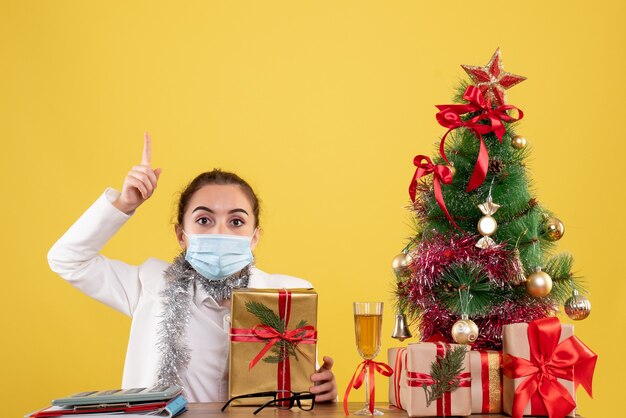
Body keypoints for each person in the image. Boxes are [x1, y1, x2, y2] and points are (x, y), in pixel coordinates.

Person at [47, 135, 337, 403]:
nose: (220, 232)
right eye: (204, 220)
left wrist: (323, 391)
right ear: (181, 235)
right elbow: (67, 259)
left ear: (255, 237)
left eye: (236, 222)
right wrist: (124, 203)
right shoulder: (149, 285)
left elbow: (299, 392)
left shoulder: (287, 296)